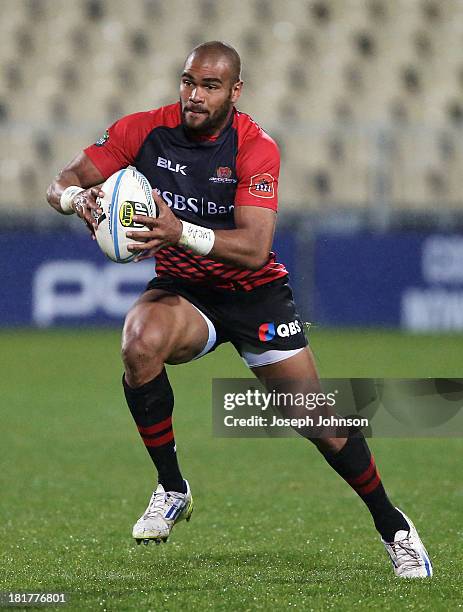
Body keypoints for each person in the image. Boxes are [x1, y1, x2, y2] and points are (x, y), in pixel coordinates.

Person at [46, 41, 432, 578]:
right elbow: (60, 182)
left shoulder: (255, 147)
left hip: (254, 294)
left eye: (209, 86)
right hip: (186, 288)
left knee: (316, 418)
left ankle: (394, 527)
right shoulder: (142, 130)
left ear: (235, 91)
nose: (194, 95)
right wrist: (78, 201)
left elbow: (253, 246)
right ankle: (171, 487)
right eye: (188, 82)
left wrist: (177, 230)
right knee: (139, 343)